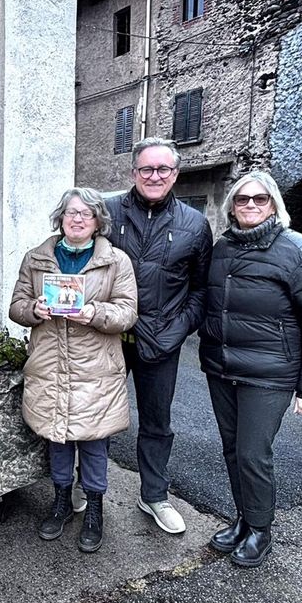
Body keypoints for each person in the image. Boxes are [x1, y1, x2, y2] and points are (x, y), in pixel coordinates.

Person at [199, 171, 302, 567]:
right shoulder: (223, 248)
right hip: (223, 367)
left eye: (260, 199)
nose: (250, 205)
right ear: (232, 207)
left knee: (252, 453)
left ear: (274, 204)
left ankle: (260, 529)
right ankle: (244, 519)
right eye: (242, 199)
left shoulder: (299, 251)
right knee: (232, 450)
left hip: (270, 374)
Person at [9, 187, 137, 553]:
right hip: (50, 365)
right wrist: (34, 310)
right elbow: (16, 306)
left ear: (98, 221)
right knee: (58, 439)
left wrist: (95, 313)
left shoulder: (116, 261)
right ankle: (62, 501)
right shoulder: (37, 258)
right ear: (60, 218)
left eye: (86, 213)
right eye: (71, 212)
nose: (77, 219)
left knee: (94, 441)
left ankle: (94, 509)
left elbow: (128, 313)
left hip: (94, 368)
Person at [105, 137, 213, 535]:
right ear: (133, 172)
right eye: (146, 169)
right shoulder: (107, 213)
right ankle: (89, 486)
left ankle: (153, 495)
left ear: (175, 174)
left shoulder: (195, 224)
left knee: (156, 423)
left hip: (161, 340)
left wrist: (179, 329)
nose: (154, 176)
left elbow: (201, 288)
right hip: (108, 337)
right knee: (97, 415)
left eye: (163, 169)